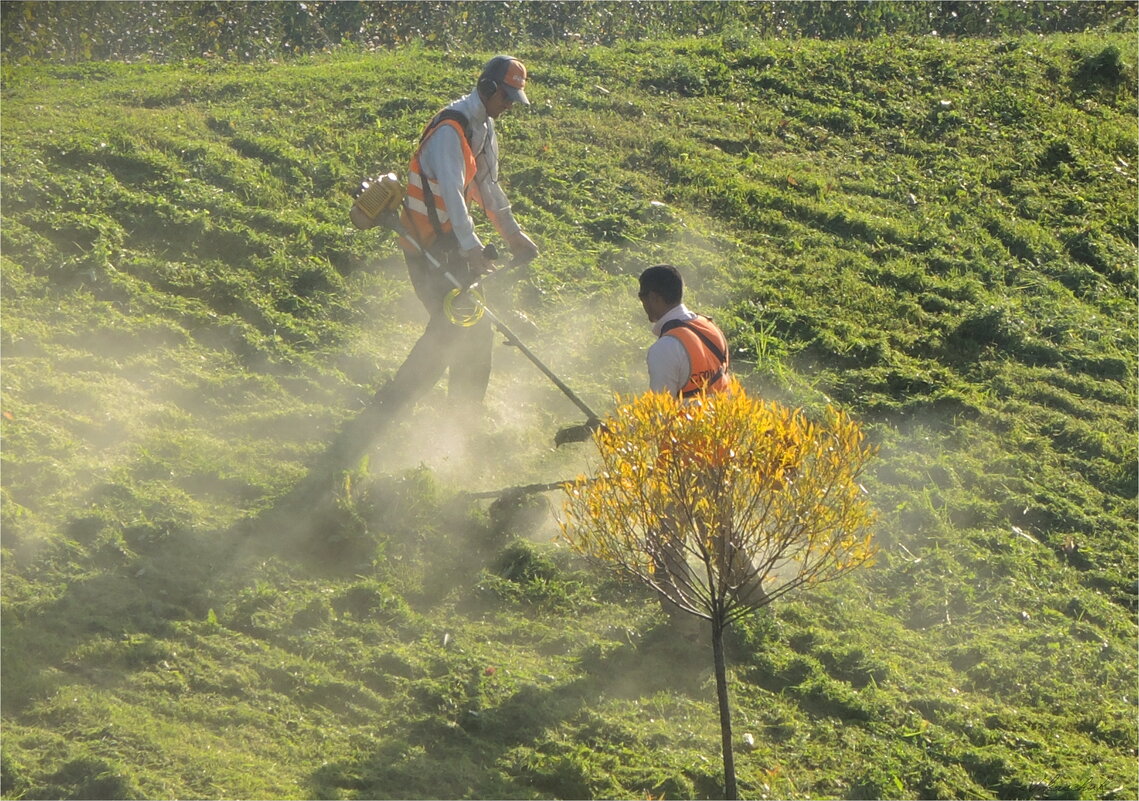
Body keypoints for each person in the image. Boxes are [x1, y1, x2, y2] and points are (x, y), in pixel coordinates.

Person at [393, 55, 540, 411]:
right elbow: (453, 197)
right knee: (453, 331)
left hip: (453, 248)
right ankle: (394, 406)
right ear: (488, 89)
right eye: (505, 97)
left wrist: (514, 236)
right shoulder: (449, 132)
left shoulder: (483, 128)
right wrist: (472, 247)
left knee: (466, 330)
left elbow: (487, 188)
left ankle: (456, 416)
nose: (507, 106)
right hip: (428, 247)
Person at [637, 265, 763, 636]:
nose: (641, 303)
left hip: (684, 457)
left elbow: (658, 414)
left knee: (665, 541)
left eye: (643, 295)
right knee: (720, 537)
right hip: (720, 449)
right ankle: (757, 607)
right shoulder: (710, 329)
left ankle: (682, 626)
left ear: (657, 298)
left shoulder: (665, 349)